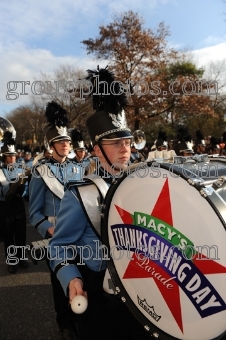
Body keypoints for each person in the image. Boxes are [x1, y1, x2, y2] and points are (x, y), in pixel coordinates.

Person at [49, 68, 152, 340]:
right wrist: (71, 278)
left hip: (142, 291)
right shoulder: (79, 194)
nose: (125, 148)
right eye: (115, 142)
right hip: (101, 300)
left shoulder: (141, 185)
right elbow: (59, 247)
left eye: (128, 141)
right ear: (97, 149)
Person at [29, 101, 82, 340]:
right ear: (50, 146)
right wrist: (48, 229)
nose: (65, 144)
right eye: (60, 142)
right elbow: (34, 213)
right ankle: (65, 323)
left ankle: (82, 318)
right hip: (56, 234)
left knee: (80, 276)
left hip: (81, 233)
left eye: (67, 141)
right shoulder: (41, 173)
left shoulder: (78, 169)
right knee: (60, 281)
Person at [0, 131, 29, 273]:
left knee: (21, 234)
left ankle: (22, 257)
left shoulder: (20, 168)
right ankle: (12, 261)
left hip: (18, 205)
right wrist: (10, 188)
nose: (12, 158)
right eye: (9, 156)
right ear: (4, 157)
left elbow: (26, 190)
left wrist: (22, 187)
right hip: (5, 206)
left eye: (13, 155)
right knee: (8, 235)